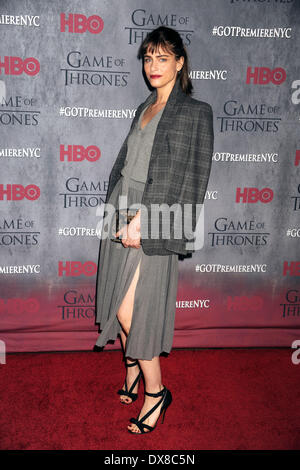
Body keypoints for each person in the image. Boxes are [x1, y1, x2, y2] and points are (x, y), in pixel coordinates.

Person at [95, 26, 214, 434]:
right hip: (121, 205)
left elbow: (190, 178)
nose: (153, 66)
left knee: (134, 310)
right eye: (148, 58)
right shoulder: (144, 106)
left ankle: (156, 392)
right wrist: (115, 210)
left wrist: (147, 220)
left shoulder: (195, 112)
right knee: (116, 299)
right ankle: (130, 371)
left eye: (163, 58)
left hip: (154, 214)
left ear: (179, 62)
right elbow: (127, 162)